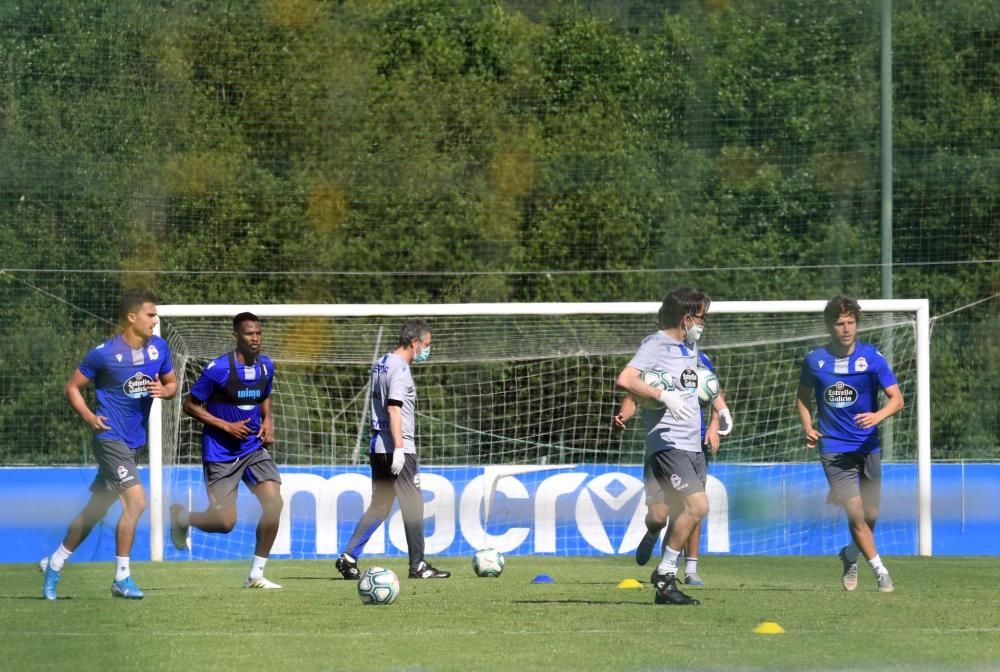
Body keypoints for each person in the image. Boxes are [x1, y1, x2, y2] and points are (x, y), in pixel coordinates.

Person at [41, 289, 178, 600]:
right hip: (109, 438)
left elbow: (172, 384)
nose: (155, 320)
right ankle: (122, 578)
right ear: (132, 318)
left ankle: (56, 562)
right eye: (150, 315)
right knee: (137, 502)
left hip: (134, 442)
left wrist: (165, 390)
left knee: (95, 510)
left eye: (155, 315)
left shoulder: (160, 348)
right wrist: (90, 416)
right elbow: (72, 387)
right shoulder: (104, 353)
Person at [796, 296, 904, 593]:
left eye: (850, 322)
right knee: (856, 514)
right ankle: (881, 573)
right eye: (840, 323)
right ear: (830, 326)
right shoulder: (815, 360)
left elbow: (897, 399)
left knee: (871, 517)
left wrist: (877, 416)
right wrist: (807, 426)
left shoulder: (872, 358)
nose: (845, 328)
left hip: (868, 446)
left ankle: (850, 555)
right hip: (833, 449)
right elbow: (802, 398)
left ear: (857, 323)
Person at [169, 312, 284, 589]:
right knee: (225, 523)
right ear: (236, 336)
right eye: (248, 334)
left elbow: (264, 394)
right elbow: (190, 405)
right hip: (220, 452)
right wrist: (226, 426)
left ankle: (256, 574)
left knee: (274, 503)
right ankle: (182, 518)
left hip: (253, 448)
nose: (255, 338)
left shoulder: (266, 366)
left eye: (258, 333)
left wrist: (268, 421)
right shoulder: (218, 369)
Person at [615, 287, 712, 605]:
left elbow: (700, 385)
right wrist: (662, 397)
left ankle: (665, 584)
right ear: (686, 319)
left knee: (669, 513)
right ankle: (667, 572)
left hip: (692, 443)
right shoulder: (656, 343)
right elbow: (627, 379)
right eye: (701, 317)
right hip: (668, 442)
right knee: (695, 507)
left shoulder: (691, 348)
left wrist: (720, 413)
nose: (703, 324)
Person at [335, 319, 450, 580]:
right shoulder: (400, 369)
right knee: (413, 505)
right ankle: (418, 565)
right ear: (415, 343)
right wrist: (399, 448)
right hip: (398, 447)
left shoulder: (381, 362)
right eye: (427, 345)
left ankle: (349, 557)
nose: (428, 351)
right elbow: (394, 408)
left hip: (378, 446)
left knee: (380, 505)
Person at [615, 341, 733, 587]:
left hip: (693, 444)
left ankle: (682, 570)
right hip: (662, 445)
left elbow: (714, 392)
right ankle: (653, 532)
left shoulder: (702, 359)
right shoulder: (654, 362)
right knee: (659, 515)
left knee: (691, 506)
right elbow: (632, 396)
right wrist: (623, 415)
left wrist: (713, 426)